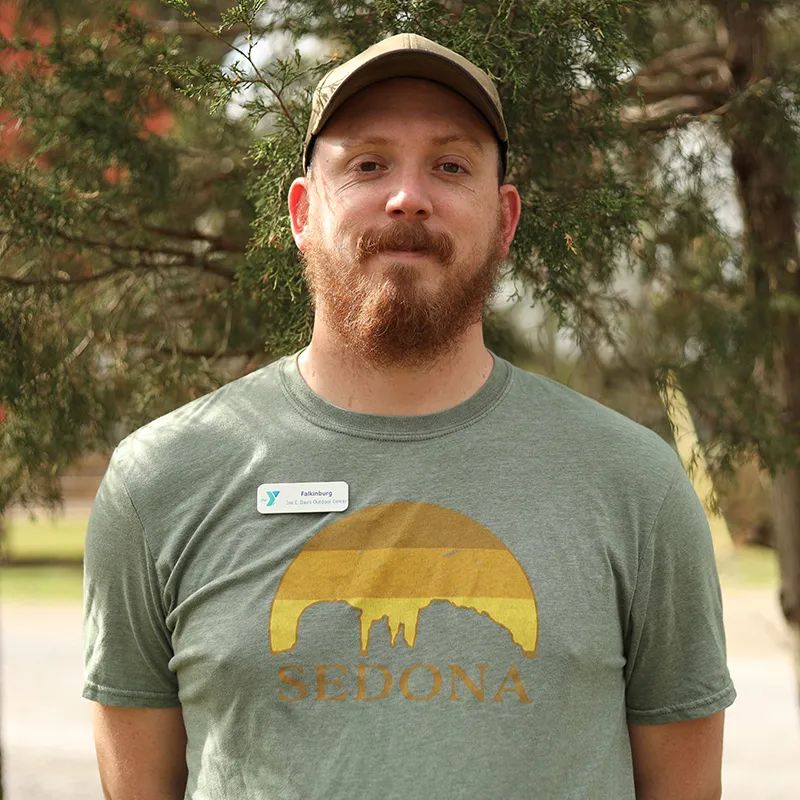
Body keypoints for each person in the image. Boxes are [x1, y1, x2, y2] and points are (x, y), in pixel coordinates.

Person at [83, 34, 735, 800]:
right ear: (302, 212)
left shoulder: (634, 486)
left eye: (451, 166)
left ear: (505, 219)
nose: (408, 197)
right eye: (368, 165)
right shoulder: (160, 483)